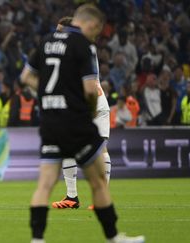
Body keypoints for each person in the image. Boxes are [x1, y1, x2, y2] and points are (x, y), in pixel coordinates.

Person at [20, 4, 144, 243]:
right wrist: (84, 109)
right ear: (90, 24)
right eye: (96, 29)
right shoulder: (82, 45)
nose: (96, 34)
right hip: (76, 118)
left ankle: (37, 239)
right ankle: (113, 237)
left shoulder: (45, 42)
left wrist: (48, 93)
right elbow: (90, 89)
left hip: (51, 119)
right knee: (97, 180)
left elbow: (25, 77)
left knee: (44, 184)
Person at [51, 16, 113, 210]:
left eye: (60, 29)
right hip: (98, 99)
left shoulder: (72, 48)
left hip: (88, 102)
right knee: (101, 149)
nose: (57, 33)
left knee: (73, 146)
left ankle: (75, 197)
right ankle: (95, 198)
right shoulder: (85, 46)